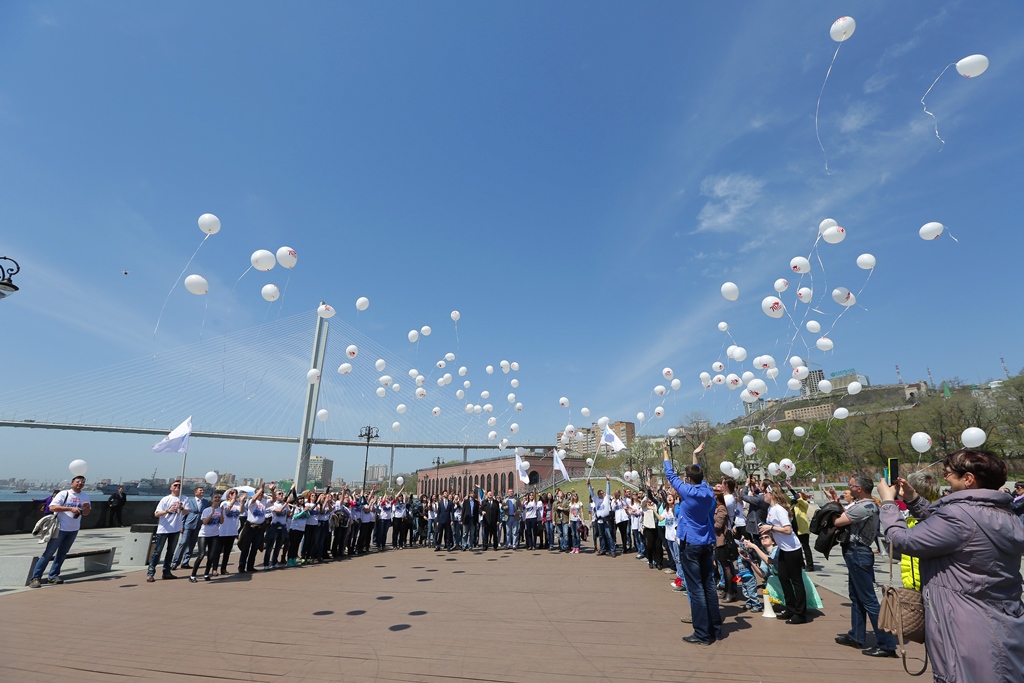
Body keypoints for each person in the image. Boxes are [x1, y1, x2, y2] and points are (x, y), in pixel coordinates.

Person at [878, 449, 1024, 682]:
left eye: (947, 474)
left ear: (968, 479)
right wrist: (913, 499)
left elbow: (902, 540)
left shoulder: (958, 516)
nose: (945, 478)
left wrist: (888, 503)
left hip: (963, 621)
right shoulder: (1004, 513)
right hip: (1002, 617)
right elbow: (947, 525)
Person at [828, 474, 898, 657]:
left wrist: (833, 505)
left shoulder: (865, 506)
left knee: (868, 599)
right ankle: (857, 636)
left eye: (850, 485)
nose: (848, 487)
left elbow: (837, 521)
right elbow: (847, 515)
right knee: (856, 596)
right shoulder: (865, 505)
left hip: (857, 552)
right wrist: (836, 502)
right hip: (857, 552)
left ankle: (887, 644)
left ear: (859, 489)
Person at [663, 441, 722, 646]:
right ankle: (715, 628)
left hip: (691, 545)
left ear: (688, 480)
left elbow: (670, 475)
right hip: (706, 543)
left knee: (695, 589)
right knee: (709, 586)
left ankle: (702, 633)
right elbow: (698, 475)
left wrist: (665, 452)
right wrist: (695, 456)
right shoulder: (707, 491)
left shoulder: (688, 491)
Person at [29, 475, 91, 588]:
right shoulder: (64, 494)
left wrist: (86, 508)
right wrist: (70, 508)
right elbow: (52, 507)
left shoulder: (85, 496)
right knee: (49, 553)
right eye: (77, 481)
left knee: (62, 554)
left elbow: (86, 513)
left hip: (73, 529)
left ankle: (53, 576)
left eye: (82, 482)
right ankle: (36, 578)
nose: (80, 483)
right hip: (59, 528)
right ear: (72, 483)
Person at [760, 481, 807, 624]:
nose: (763, 494)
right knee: (783, 577)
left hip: (792, 549)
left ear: (772, 494)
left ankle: (801, 613)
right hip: (783, 549)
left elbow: (788, 530)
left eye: (765, 492)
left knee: (796, 581)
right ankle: (790, 608)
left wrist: (771, 528)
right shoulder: (770, 509)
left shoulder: (779, 510)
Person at [147, 480, 185, 582]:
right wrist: (167, 511)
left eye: (179, 485)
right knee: (157, 552)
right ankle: (150, 573)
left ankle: (166, 572)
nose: (177, 487)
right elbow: (156, 514)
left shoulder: (184, 499)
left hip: (175, 529)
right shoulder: (165, 499)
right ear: (171, 488)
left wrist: (182, 508)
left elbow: (187, 512)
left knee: (170, 552)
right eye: (175, 485)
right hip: (163, 529)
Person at [172, 486, 207, 570]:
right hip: (188, 524)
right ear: (195, 492)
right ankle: (175, 562)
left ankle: (185, 562)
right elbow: (184, 514)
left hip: (198, 525)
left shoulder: (206, 502)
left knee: (192, 544)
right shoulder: (190, 501)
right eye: (200, 490)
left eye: (203, 490)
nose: (202, 492)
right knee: (183, 543)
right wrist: (181, 526)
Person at [190, 492, 222, 582]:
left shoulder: (220, 510)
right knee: (201, 555)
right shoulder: (206, 510)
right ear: (212, 500)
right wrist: (211, 514)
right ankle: (193, 575)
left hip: (214, 535)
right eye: (215, 497)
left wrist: (222, 513)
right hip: (204, 535)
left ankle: (206, 574)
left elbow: (221, 522)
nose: (217, 499)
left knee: (211, 556)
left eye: (219, 498)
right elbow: (204, 522)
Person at [588, 474, 616, 557]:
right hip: (599, 520)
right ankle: (603, 549)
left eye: (602, 493)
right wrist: (589, 485)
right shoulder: (596, 499)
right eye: (600, 493)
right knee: (601, 536)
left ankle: (612, 550)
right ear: (598, 494)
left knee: (609, 535)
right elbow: (591, 493)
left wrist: (608, 481)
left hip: (606, 520)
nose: (601, 494)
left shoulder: (606, 498)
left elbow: (608, 490)